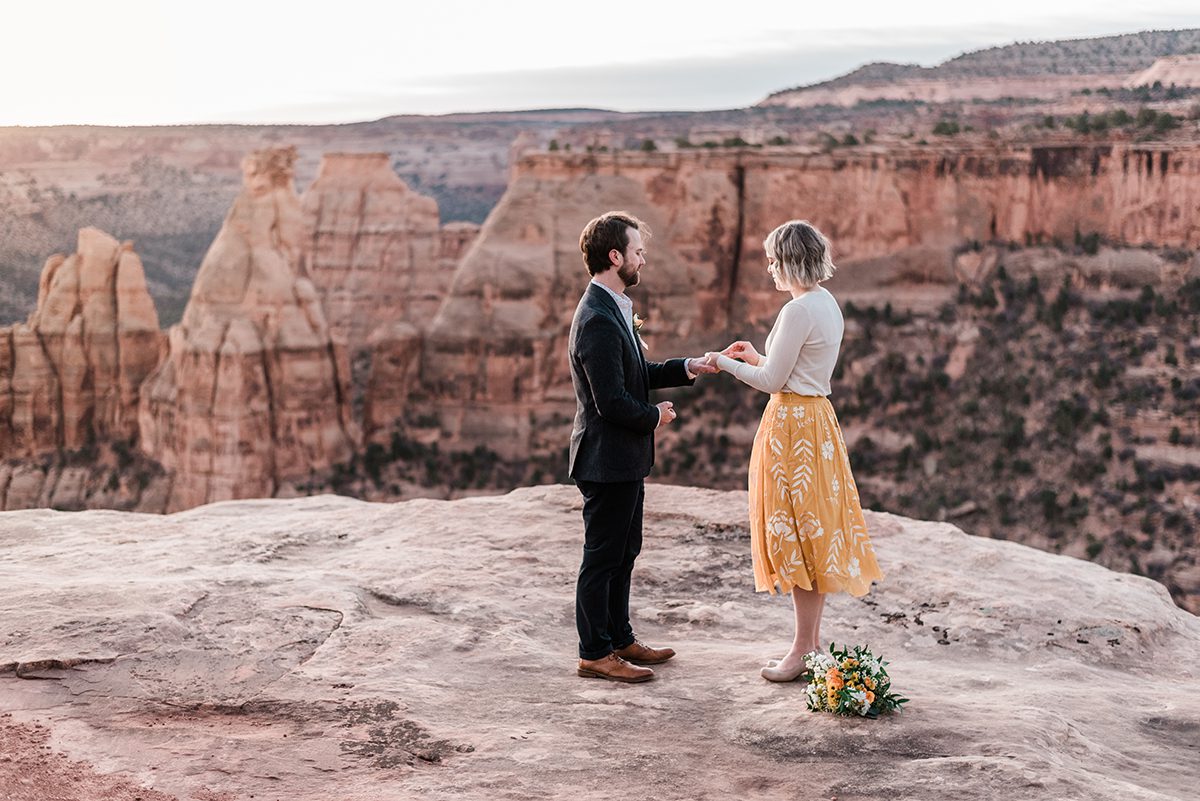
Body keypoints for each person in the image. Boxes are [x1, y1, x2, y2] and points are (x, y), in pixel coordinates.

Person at [705, 220, 883, 682]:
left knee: (799, 537)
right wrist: (755, 356)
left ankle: (802, 648)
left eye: (773, 260)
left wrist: (722, 363)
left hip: (792, 429)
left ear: (788, 261)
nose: (770, 269)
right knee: (813, 530)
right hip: (817, 423)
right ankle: (813, 642)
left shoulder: (798, 310)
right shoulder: (827, 304)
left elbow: (773, 384)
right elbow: (794, 370)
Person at [568, 210, 718, 683]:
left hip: (625, 460)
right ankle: (595, 652)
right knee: (602, 556)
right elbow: (609, 400)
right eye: (637, 252)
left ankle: (619, 637)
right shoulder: (595, 318)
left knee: (625, 550)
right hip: (605, 459)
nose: (643, 259)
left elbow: (639, 372)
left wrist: (690, 365)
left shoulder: (615, 307)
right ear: (615, 257)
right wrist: (655, 416)